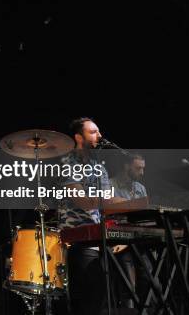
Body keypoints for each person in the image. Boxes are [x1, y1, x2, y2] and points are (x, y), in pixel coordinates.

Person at [58, 117, 126, 315]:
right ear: (79, 137)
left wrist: (139, 206)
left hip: (99, 239)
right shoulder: (67, 163)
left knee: (102, 300)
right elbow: (82, 201)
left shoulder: (99, 167)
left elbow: (108, 200)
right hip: (78, 239)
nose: (100, 136)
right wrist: (116, 202)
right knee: (88, 302)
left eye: (99, 131)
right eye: (93, 132)